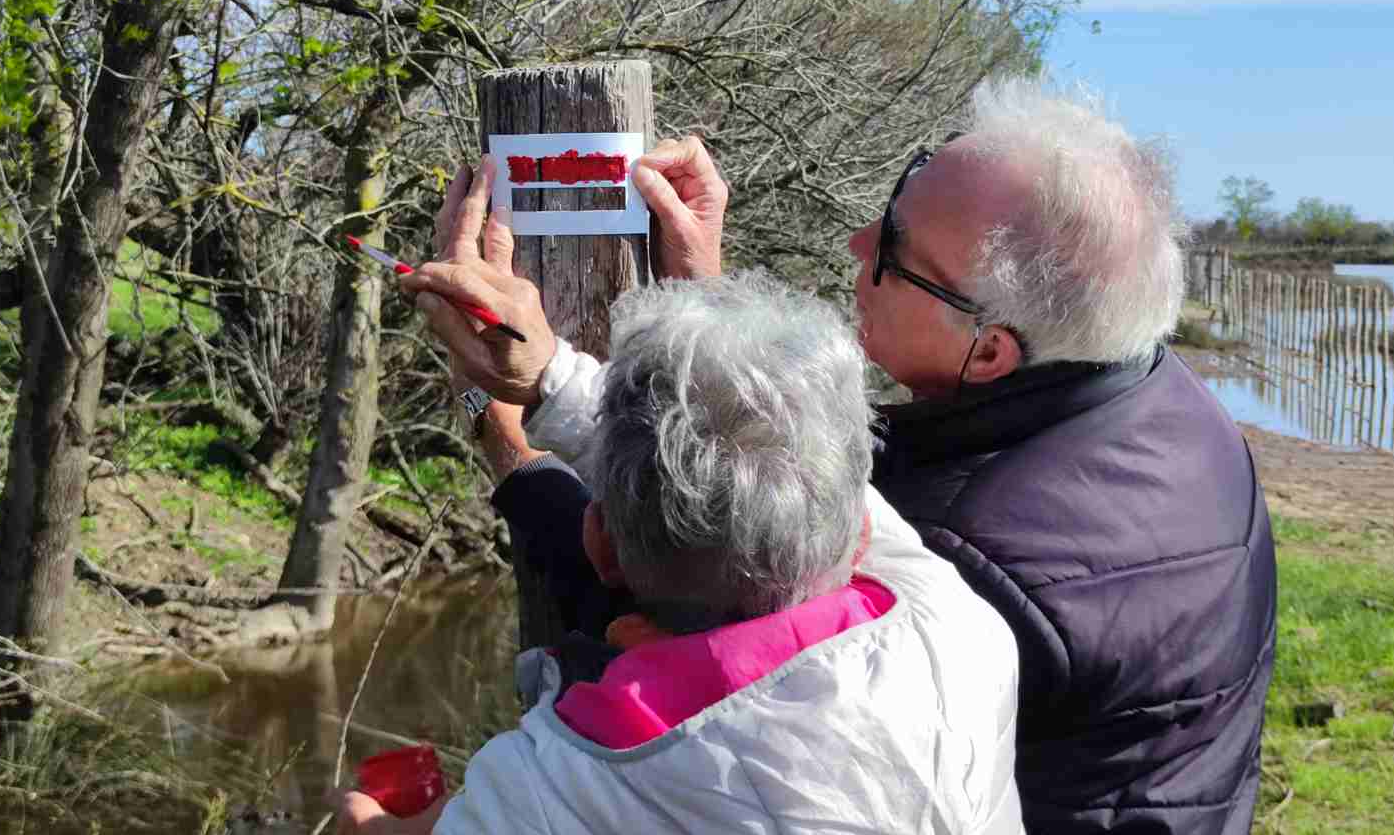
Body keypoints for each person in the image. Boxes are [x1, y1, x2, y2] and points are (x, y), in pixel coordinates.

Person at [403, 75, 1278, 834]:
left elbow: (675, 605)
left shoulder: (979, 569)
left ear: (989, 351)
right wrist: (715, 324)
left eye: (895, 247)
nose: (859, 242)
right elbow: (772, 486)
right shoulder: (1170, 405)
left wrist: (511, 435)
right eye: (898, 196)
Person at [331, 217, 1024, 833]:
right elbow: (789, 465)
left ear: (599, 543)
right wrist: (693, 318)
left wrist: (514, 391)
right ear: (861, 537)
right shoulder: (960, 640)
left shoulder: (543, 796)